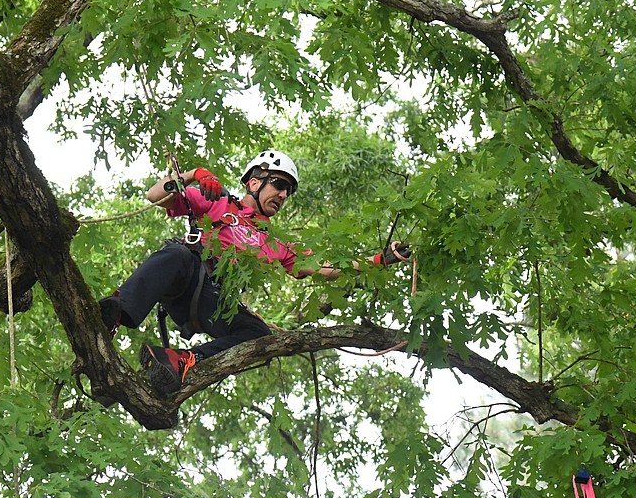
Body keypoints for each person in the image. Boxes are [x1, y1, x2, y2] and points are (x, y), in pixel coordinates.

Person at [99, 150, 410, 396]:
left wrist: (379, 260)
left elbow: (323, 269)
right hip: (185, 272)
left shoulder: (275, 243)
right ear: (253, 182)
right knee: (178, 253)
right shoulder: (218, 202)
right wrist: (193, 175)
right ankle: (115, 313)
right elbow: (155, 196)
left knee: (260, 334)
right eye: (280, 185)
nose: (284, 195)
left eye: (288, 191)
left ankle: (183, 360)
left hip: (213, 300)